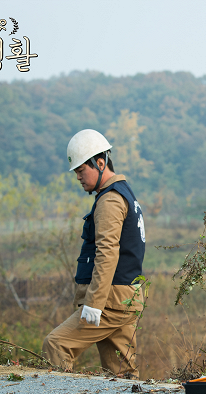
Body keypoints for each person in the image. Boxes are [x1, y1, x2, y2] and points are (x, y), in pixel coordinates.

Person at [42, 129, 146, 376]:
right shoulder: (124, 192)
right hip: (125, 298)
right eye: (76, 172)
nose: (78, 177)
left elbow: (107, 253)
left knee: (56, 344)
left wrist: (94, 303)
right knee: (121, 374)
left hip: (110, 301)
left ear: (100, 163)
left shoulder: (110, 200)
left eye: (81, 170)